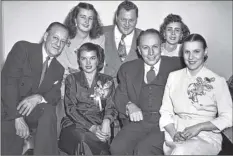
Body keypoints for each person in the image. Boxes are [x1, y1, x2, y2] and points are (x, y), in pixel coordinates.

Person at [110, 29, 184, 155]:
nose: (150, 53)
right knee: (117, 147)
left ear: (161, 47)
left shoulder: (178, 65)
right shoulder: (128, 68)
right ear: (138, 50)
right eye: (145, 47)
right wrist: (129, 105)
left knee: (144, 150)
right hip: (139, 122)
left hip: (166, 123)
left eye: (155, 47)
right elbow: (119, 94)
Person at [1, 22, 69, 155]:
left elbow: (55, 95)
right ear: (45, 36)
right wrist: (17, 118)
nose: (58, 44)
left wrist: (38, 98)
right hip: (8, 109)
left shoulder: (58, 69)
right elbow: (8, 83)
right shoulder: (23, 49)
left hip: (32, 114)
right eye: (55, 38)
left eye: (63, 41)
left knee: (48, 110)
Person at [159, 33, 233, 155]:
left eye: (196, 51)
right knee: (178, 150)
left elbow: (228, 117)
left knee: (181, 152)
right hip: (177, 133)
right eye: (187, 52)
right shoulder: (173, 77)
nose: (191, 57)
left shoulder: (217, 81)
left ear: (205, 52)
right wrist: (174, 133)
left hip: (206, 136)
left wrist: (199, 127)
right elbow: (165, 111)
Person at [56, 2, 105, 137]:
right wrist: (81, 72)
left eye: (90, 18)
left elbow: (100, 66)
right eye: (83, 17)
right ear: (75, 19)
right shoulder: (66, 38)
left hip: (91, 91)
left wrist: (77, 71)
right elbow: (61, 70)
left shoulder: (99, 38)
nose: (86, 21)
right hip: (66, 91)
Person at [58, 43, 117, 155]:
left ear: (98, 60)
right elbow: (70, 109)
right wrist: (91, 127)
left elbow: (111, 106)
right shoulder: (71, 79)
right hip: (74, 123)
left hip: (99, 123)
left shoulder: (107, 80)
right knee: (82, 138)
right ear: (79, 61)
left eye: (92, 58)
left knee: (94, 139)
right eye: (84, 58)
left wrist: (107, 121)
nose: (88, 63)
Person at [103, 0, 141, 85]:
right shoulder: (101, 33)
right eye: (123, 19)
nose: (127, 24)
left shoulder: (144, 37)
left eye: (131, 20)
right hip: (104, 92)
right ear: (116, 17)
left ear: (136, 20)